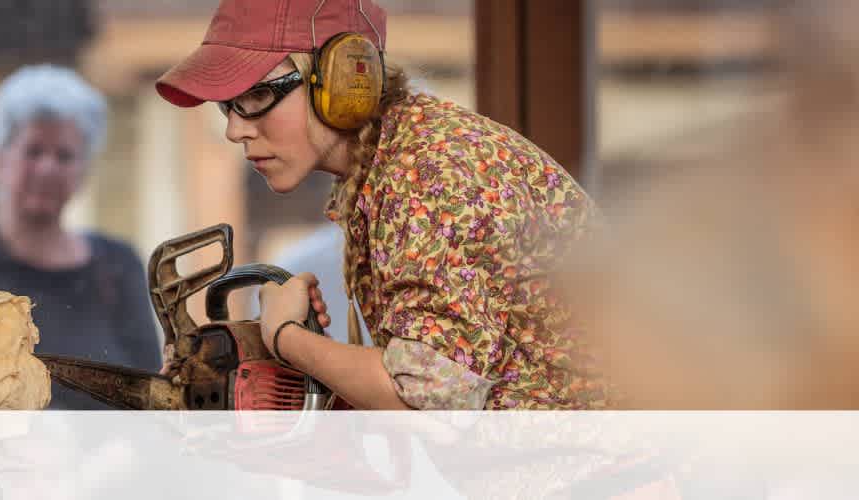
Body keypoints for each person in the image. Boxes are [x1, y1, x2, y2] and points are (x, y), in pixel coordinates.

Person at [156, 0, 609, 410]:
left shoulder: (431, 171)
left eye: (256, 96)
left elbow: (427, 402)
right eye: (227, 107)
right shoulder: (389, 166)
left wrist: (286, 337)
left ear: (343, 79)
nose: (235, 130)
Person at [0, 65, 161, 410]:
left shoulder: (118, 266)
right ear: (0, 158)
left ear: (84, 170)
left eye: (65, 155)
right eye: (34, 151)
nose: (48, 168)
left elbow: (148, 402)